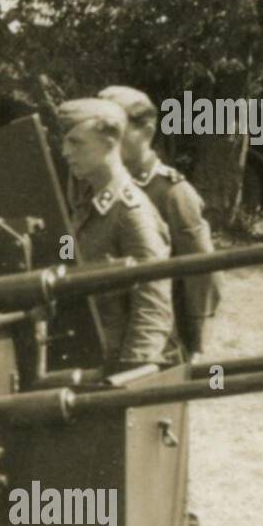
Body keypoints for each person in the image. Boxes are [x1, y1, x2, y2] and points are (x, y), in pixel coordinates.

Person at [98, 86, 221, 361]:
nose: (105, 139)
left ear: (147, 131)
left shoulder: (172, 193)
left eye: (115, 129)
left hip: (157, 337)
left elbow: (202, 272)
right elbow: (71, 246)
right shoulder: (89, 186)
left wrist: (196, 340)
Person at [57, 98, 173, 372]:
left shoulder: (131, 212)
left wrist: (132, 373)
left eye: (76, 143)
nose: (64, 151)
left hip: (116, 362)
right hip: (87, 354)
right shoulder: (87, 202)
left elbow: (153, 300)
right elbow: (68, 259)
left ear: (109, 143)